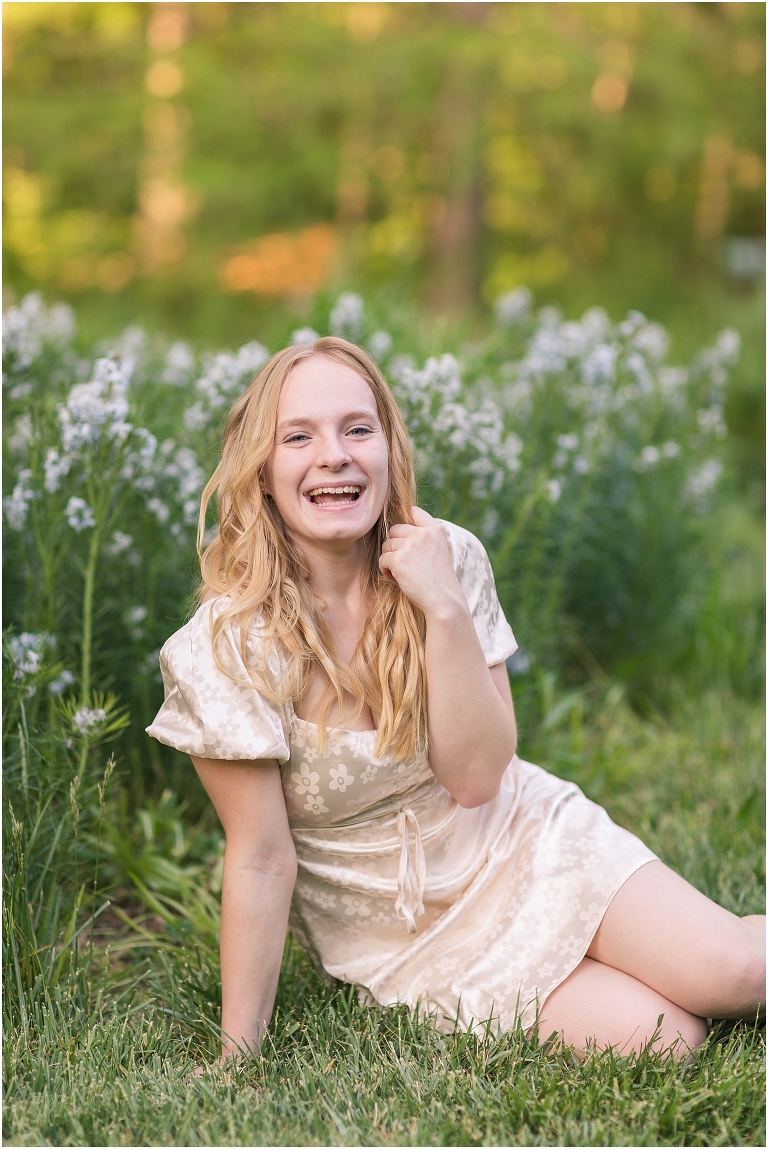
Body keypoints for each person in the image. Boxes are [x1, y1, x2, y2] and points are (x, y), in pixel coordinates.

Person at [147, 336, 765, 1062]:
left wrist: (442, 607)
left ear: (388, 445)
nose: (335, 455)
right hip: (402, 932)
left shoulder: (450, 558)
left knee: (738, 973)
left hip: (519, 840)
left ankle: (715, 944)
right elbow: (260, 858)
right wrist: (236, 1053)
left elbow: (477, 779)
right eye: (299, 436)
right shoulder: (225, 645)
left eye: (357, 428)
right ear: (263, 469)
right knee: (666, 1038)